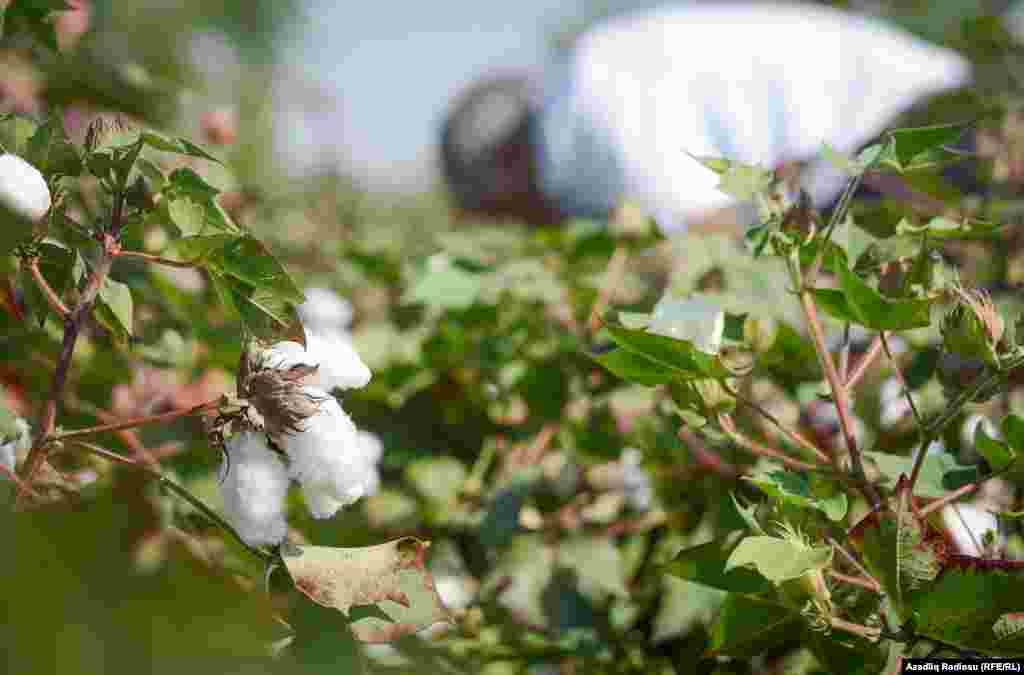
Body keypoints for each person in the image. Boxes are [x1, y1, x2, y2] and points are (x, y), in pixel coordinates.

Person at [439, 2, 972, 233]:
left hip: (903, 125)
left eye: (496, 212)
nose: (515, 228)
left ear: (503, 168)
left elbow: (709, 242)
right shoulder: (584, 77)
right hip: (904, 112)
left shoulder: (593, 119)